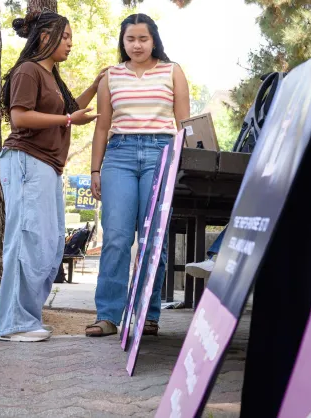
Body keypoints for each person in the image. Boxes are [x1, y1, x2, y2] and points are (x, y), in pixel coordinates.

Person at [0, 10, 104, 342]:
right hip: (27, 160)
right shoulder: (29, 71)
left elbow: (70, 111)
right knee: (27, 240)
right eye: (66, 36)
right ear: (46, 37)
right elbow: (21, 118)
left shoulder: (51, 76)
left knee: (52, 243)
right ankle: (14, 323)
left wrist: (98, 84)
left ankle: (28, 317)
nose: (71, 43)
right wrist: (68, 121)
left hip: (46, 167)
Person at [87, 13, 190, 337]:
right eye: (130, 39)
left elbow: (184, 126)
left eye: (143, 39)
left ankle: (148, 313)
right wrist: (95, 169)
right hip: (119, 156)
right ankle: (108, 315)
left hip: (161, 153)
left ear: (154, 39)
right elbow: (102, 127)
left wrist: (181, 166)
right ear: (123, 42)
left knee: (152, 238)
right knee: (116, 237)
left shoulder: (172, 71)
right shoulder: (110, 76)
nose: (136, 45)